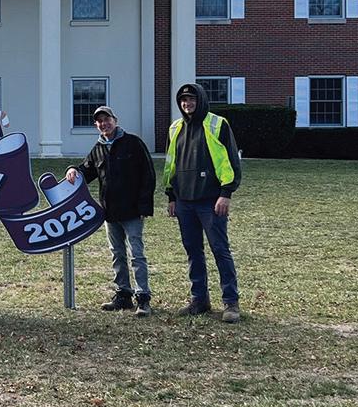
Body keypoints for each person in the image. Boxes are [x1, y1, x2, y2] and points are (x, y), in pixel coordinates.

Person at [65, 105, 156, 317]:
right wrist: (73, 169)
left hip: (132, 210)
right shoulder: (98, 148)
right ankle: (123, 295)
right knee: (117, 254)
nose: (103, 124)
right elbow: (86, 171)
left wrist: (144, 206)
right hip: (110, 212)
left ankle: (143, 298)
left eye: (107, 119)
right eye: (99, 121)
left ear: (115, 120)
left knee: (136, 254)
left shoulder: (133, 143)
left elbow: (148, 174)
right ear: (96, 125)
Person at [164, 83, 244, 323]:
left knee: (220, 250)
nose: (187, 104)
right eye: (183, 100)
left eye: (191, 99)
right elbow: (171, 163)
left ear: (200, 100)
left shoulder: (218, 124)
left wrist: (226, 193)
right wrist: (171, 195)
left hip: (211, 201)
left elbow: (231, 161)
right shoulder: (175, 128)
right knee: (193, 251)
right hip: (184, 202)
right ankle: (199, 300)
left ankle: (231, 302)